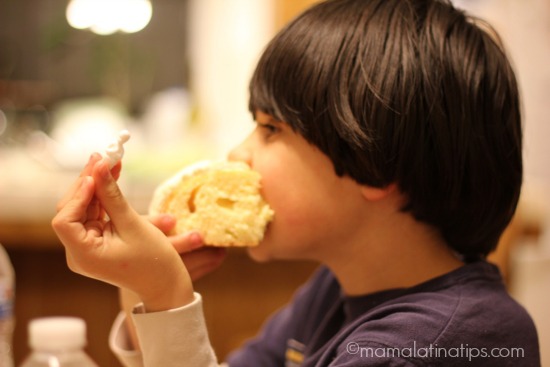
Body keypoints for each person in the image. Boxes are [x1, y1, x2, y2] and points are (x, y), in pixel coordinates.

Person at [52, 0, 541, 366]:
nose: (238, 153)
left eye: (270, 129)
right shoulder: (336, 288)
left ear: (374, 164)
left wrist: (167, 295)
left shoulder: (440, 343)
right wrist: (143, 293)